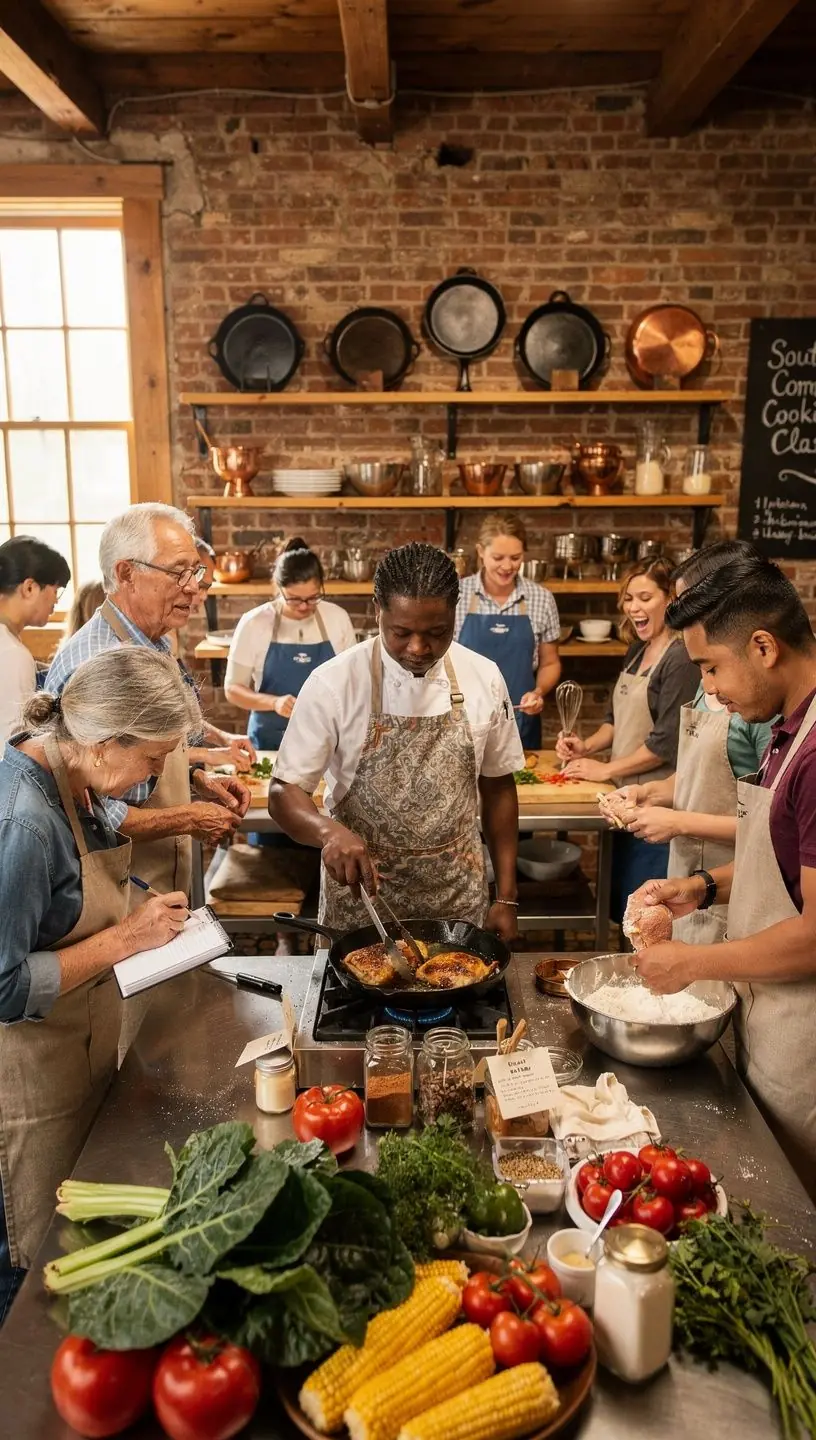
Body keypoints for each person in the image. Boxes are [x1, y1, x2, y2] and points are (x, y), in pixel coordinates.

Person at [0, 647, 200, 1320]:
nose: (158, 773)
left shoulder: (74, 776)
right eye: (152, 759)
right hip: (27, 1082)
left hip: (80, 1054)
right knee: (30, 1285)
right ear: (107, 741)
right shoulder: (24, 821)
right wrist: (126, 938)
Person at [631, 554, 816, 1196]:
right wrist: (699, 889)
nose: (709, 690)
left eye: (712, 666)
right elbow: (777, 863)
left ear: (763, 646)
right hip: (769, 1020)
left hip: (804, 1045)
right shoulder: (787, 731)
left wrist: (690, 965)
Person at [267, 542, 525, 938]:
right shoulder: (334, 683)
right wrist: (327, 832)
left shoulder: (484, 677)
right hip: (361, 910)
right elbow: (284, 791)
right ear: (377, 610)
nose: (418, 648)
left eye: (436, 633)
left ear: (455, 614)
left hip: (457, 906)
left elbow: (499, 785)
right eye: (401, 633)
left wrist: (506, 897)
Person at [45, 503, 253, 899]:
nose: (193, 587)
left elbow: (140, 759)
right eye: (178, 572)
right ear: (127, 574)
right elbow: (92, 808)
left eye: (196, 571)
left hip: (156, 881)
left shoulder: (152, 642)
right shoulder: (97, 661)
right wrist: (189, 816)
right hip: (119, 888)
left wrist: (195, 782)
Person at [613, 541, 773, 944]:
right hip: (691, 881)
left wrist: (678, 822)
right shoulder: (710, 686)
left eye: (684, 602)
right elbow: (695, 775)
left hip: (734, 889)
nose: (677, 616)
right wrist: (651, 791)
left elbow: (770, 828)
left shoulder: (757, 701)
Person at [556, 559, 699, 922]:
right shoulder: (636, 650)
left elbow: (663, 744)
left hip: (655, 803)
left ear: (670, 598)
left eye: (645, 597)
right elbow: (615, 722)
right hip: (624, 801)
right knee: (623, 906)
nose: (634, 607)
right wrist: (586, 746)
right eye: (628, 598)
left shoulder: (679, 657)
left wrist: (602, 768)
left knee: (648, 913)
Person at [224, 537, 356, 751]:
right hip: (270, 744)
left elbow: (353, 682)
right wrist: (274, 703)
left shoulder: (337, 618)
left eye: (313, 598)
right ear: (279, 588)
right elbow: (232, 690)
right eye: (294, 599)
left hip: (327, 741)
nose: (304, 606)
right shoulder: (254, 623)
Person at [455, 514, 561, 749]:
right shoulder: (456, 596)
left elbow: (550, 663)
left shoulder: (541, 599)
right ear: (480, 551)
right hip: (464, 722)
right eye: (498, 557)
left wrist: (538, 692)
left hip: (521, 721)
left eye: (515, 558)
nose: (507, 566)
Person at [0, 537, 70, 741]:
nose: (56, 600)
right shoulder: (13, 655)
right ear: (29, 587)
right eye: (55, 590)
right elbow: (14, 746)